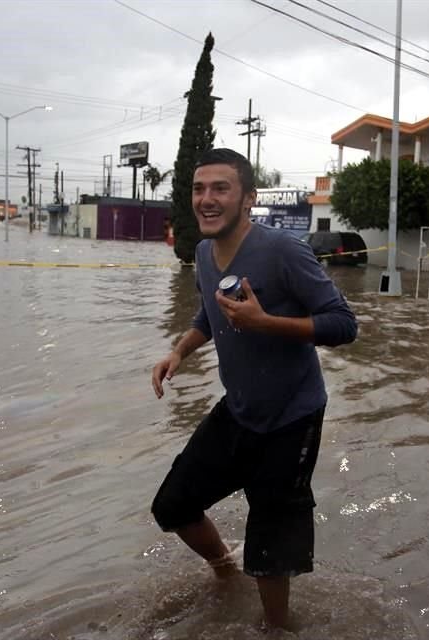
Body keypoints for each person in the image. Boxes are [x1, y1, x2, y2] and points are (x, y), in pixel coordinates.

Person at [150, 148, 357, 630]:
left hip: (292, 417)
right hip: (239, 409)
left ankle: (277, 629)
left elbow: (345, 325)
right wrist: (180, 351)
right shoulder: (202, 252)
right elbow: (210, 312)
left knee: (270, 545)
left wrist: (266, 321)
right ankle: (224, 569)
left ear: (248, 198)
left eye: (220, 188)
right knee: (173, 505)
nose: (206, 199)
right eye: (199, 189)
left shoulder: (284, 250)